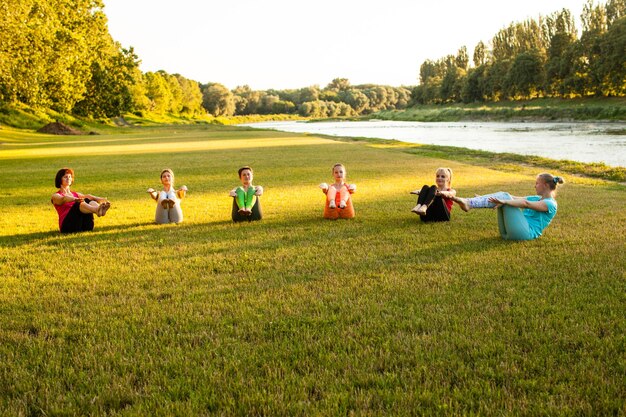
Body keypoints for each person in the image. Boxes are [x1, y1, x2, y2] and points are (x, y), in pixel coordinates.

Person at [441, 173, 564, 240]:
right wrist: (484, 197)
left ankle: (470, 203)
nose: (535, 186)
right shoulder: (537, 198)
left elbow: (525, 204)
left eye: (537, 183)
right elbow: (514, 197)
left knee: (504, 199)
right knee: (504, 196)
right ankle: (473, 202)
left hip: (525, 234)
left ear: (546, 185)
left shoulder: (550, 204)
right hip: (508, 233)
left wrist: (504, 201)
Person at [51, 168, 110, 233]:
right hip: (67, 227)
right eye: (65, 177)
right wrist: (74, 199)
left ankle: (99, 209)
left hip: (85, 226)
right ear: (60, 179)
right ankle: (97, 210)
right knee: (79, 203)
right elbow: (63, 199)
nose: (68, 178)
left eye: (70, 177)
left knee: (87, 200)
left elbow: (88, 196)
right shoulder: (55, 196)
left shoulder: (76, 194)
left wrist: (99, 199)